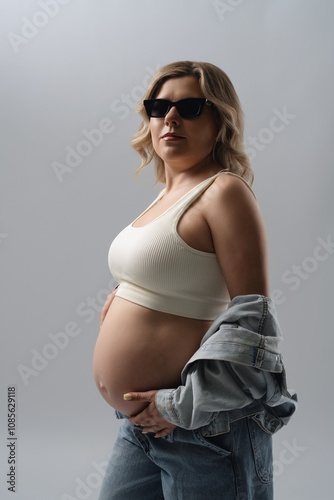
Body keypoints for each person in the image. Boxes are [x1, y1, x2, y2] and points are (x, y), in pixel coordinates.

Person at [93, 61, 297, 500]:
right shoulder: (166, 196)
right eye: (159, 106)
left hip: (200, 429)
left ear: (219, 119)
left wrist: (177, 407)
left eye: (189, 106)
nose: (170, 118)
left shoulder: (224, 191)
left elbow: (254, 327)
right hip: (142, 426)